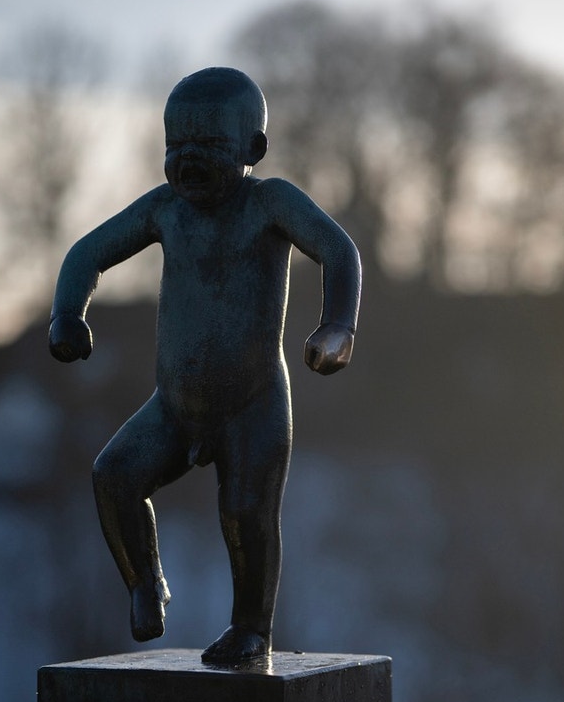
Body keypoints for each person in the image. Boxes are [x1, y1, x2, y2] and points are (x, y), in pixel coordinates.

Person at [48, 67, 361, 666]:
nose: (188, 160)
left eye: (210, 145)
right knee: (114, 477)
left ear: (253, 149)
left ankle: (252, 628)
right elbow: (88, 253)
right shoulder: (166, 209)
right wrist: (68, 314)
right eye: (177, 145)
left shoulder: (270, 202)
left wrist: (338, 325)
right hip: (174, 406)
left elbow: (337, 249)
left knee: (246, 515)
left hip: (253, 403)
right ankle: (146, 581)